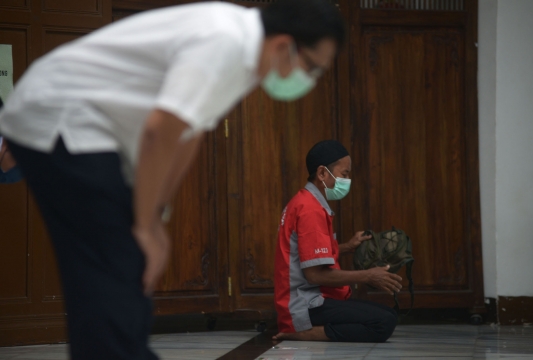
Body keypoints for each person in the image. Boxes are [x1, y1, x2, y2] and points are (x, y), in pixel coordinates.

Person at [0, 1, 345, 358]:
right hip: (62, 116)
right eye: (312, 68)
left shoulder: (243, 56)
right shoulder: (225, 40)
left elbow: (186, 135)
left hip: (89, 127)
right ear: (283, 45)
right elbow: (159, 131)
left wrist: (156, 217)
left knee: (122, 269)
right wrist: (146, 226)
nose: (311, 80)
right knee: (112, 268)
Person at [273, 140, 402, 343]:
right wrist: (368, 276)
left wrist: (348, 247)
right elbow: (315, 275)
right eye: (344, 174)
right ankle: (305, 332)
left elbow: (307, 255)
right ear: (322, 173)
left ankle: (313, 328)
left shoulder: (305, 201)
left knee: (389, 315)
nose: (347, 180)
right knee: (383, 322)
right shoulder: (310, 210)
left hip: (307, 299)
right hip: (305, 305)